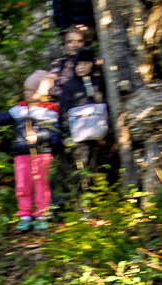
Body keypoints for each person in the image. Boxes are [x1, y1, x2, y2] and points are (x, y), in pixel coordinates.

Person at [0, 72, 63, 231]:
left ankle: (42, 216)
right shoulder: (19, 109)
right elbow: (2, 118)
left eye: (31, 90)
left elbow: (53, 134)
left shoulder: (49, 110)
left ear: (42, 92)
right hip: (21, 153)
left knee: (41, 184)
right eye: (25, 90)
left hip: (42, 153)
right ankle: (25, 215)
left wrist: (38, 137)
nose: (27, 94)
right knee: (22, 185)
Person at [56, 49, 112, 189]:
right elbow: (63, 111)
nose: (81, 67)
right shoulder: (69, 86)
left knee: (99, 166)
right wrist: (66, 135)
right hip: (79, 137)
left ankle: (99, 194)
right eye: (78, 64)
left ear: (92, 64)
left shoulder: (99, 83)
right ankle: (82, 195)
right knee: (81, 168)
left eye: (85, 64)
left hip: (99, 135)